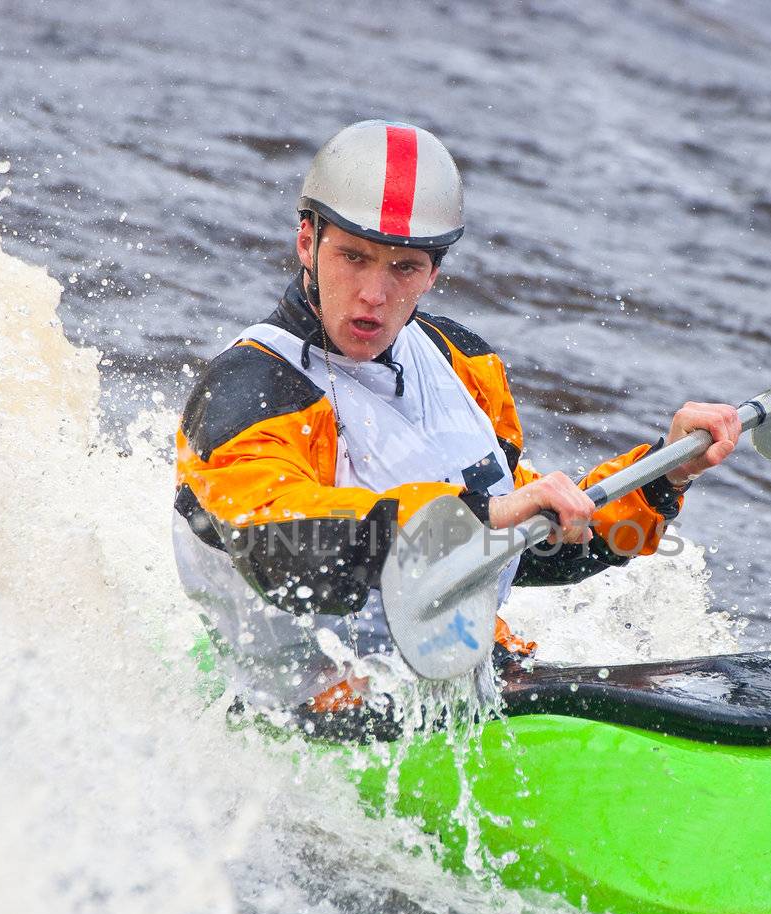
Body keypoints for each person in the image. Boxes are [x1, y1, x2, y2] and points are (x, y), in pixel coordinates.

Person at [173, 120, 740, 732]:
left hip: (461, 673)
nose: (374, 293)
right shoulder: (248, 392)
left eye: (405, 268)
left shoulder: (460, 361)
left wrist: (663, 475)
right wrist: (476, 519)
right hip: (312, 704)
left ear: (435, 270)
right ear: (307, 243)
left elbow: (535, 544)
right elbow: (283, 550)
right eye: (353, 257)